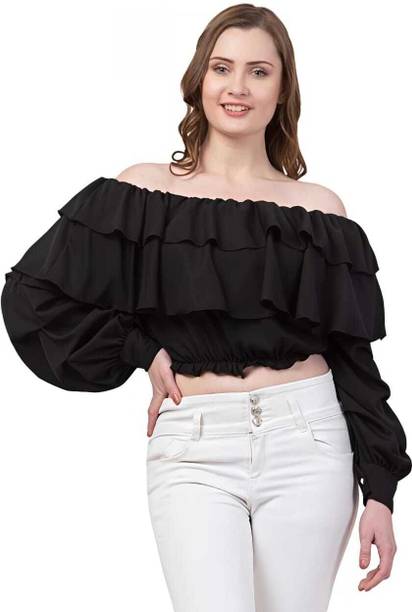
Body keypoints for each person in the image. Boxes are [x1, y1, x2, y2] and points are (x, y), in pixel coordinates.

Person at [1, 5, 411, 612]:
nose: (237, 87)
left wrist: (380, 489)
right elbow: (33, 295)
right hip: (193, 445)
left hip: (310, 440)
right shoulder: (141, 192)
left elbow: (353, 359)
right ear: (199, 79)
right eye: (222, 68)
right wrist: (139, 350)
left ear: (282, 89)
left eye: (258, 72)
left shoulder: (320, 210)